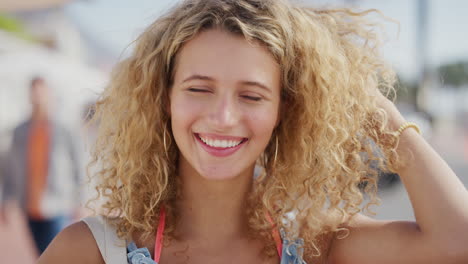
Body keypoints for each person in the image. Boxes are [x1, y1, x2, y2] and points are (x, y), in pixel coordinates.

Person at [39, 0, 468, 263]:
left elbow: (458, 242)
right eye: (199, 88)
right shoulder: (89, 251)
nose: (224, 116)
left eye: (252, 95)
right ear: (162, 99)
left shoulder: (316, 244)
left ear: (286, 109)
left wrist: (381, 113)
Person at [3, 76, 84, 254]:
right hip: (30, 207)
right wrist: (6, 200)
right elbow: (11, 169)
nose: (37, 97)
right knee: (41, 254)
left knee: (57, 256)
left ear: (49, 95)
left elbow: (79, 166)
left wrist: (80, 200)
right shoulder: (20, 131)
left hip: (57, 206)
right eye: (34, 92)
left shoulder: (64, 129)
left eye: (41, 92)